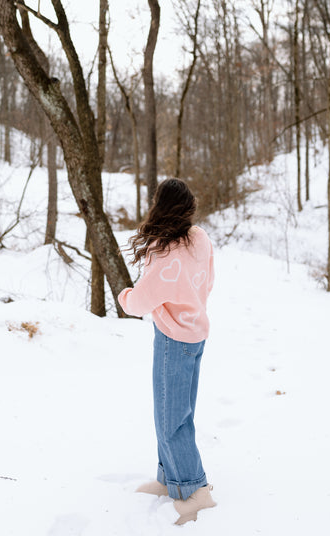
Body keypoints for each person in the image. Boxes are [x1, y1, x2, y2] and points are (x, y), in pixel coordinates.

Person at [118, 178, 216, 526]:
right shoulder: (199, 239)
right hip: (195, 333)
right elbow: (207, 281)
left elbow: (138, 303)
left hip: (173, 341)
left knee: (170, 418)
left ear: (160, 207)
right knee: (175, 414)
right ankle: (170, 479)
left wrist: (124, 296)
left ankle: (195, 489)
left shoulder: (165, 254)